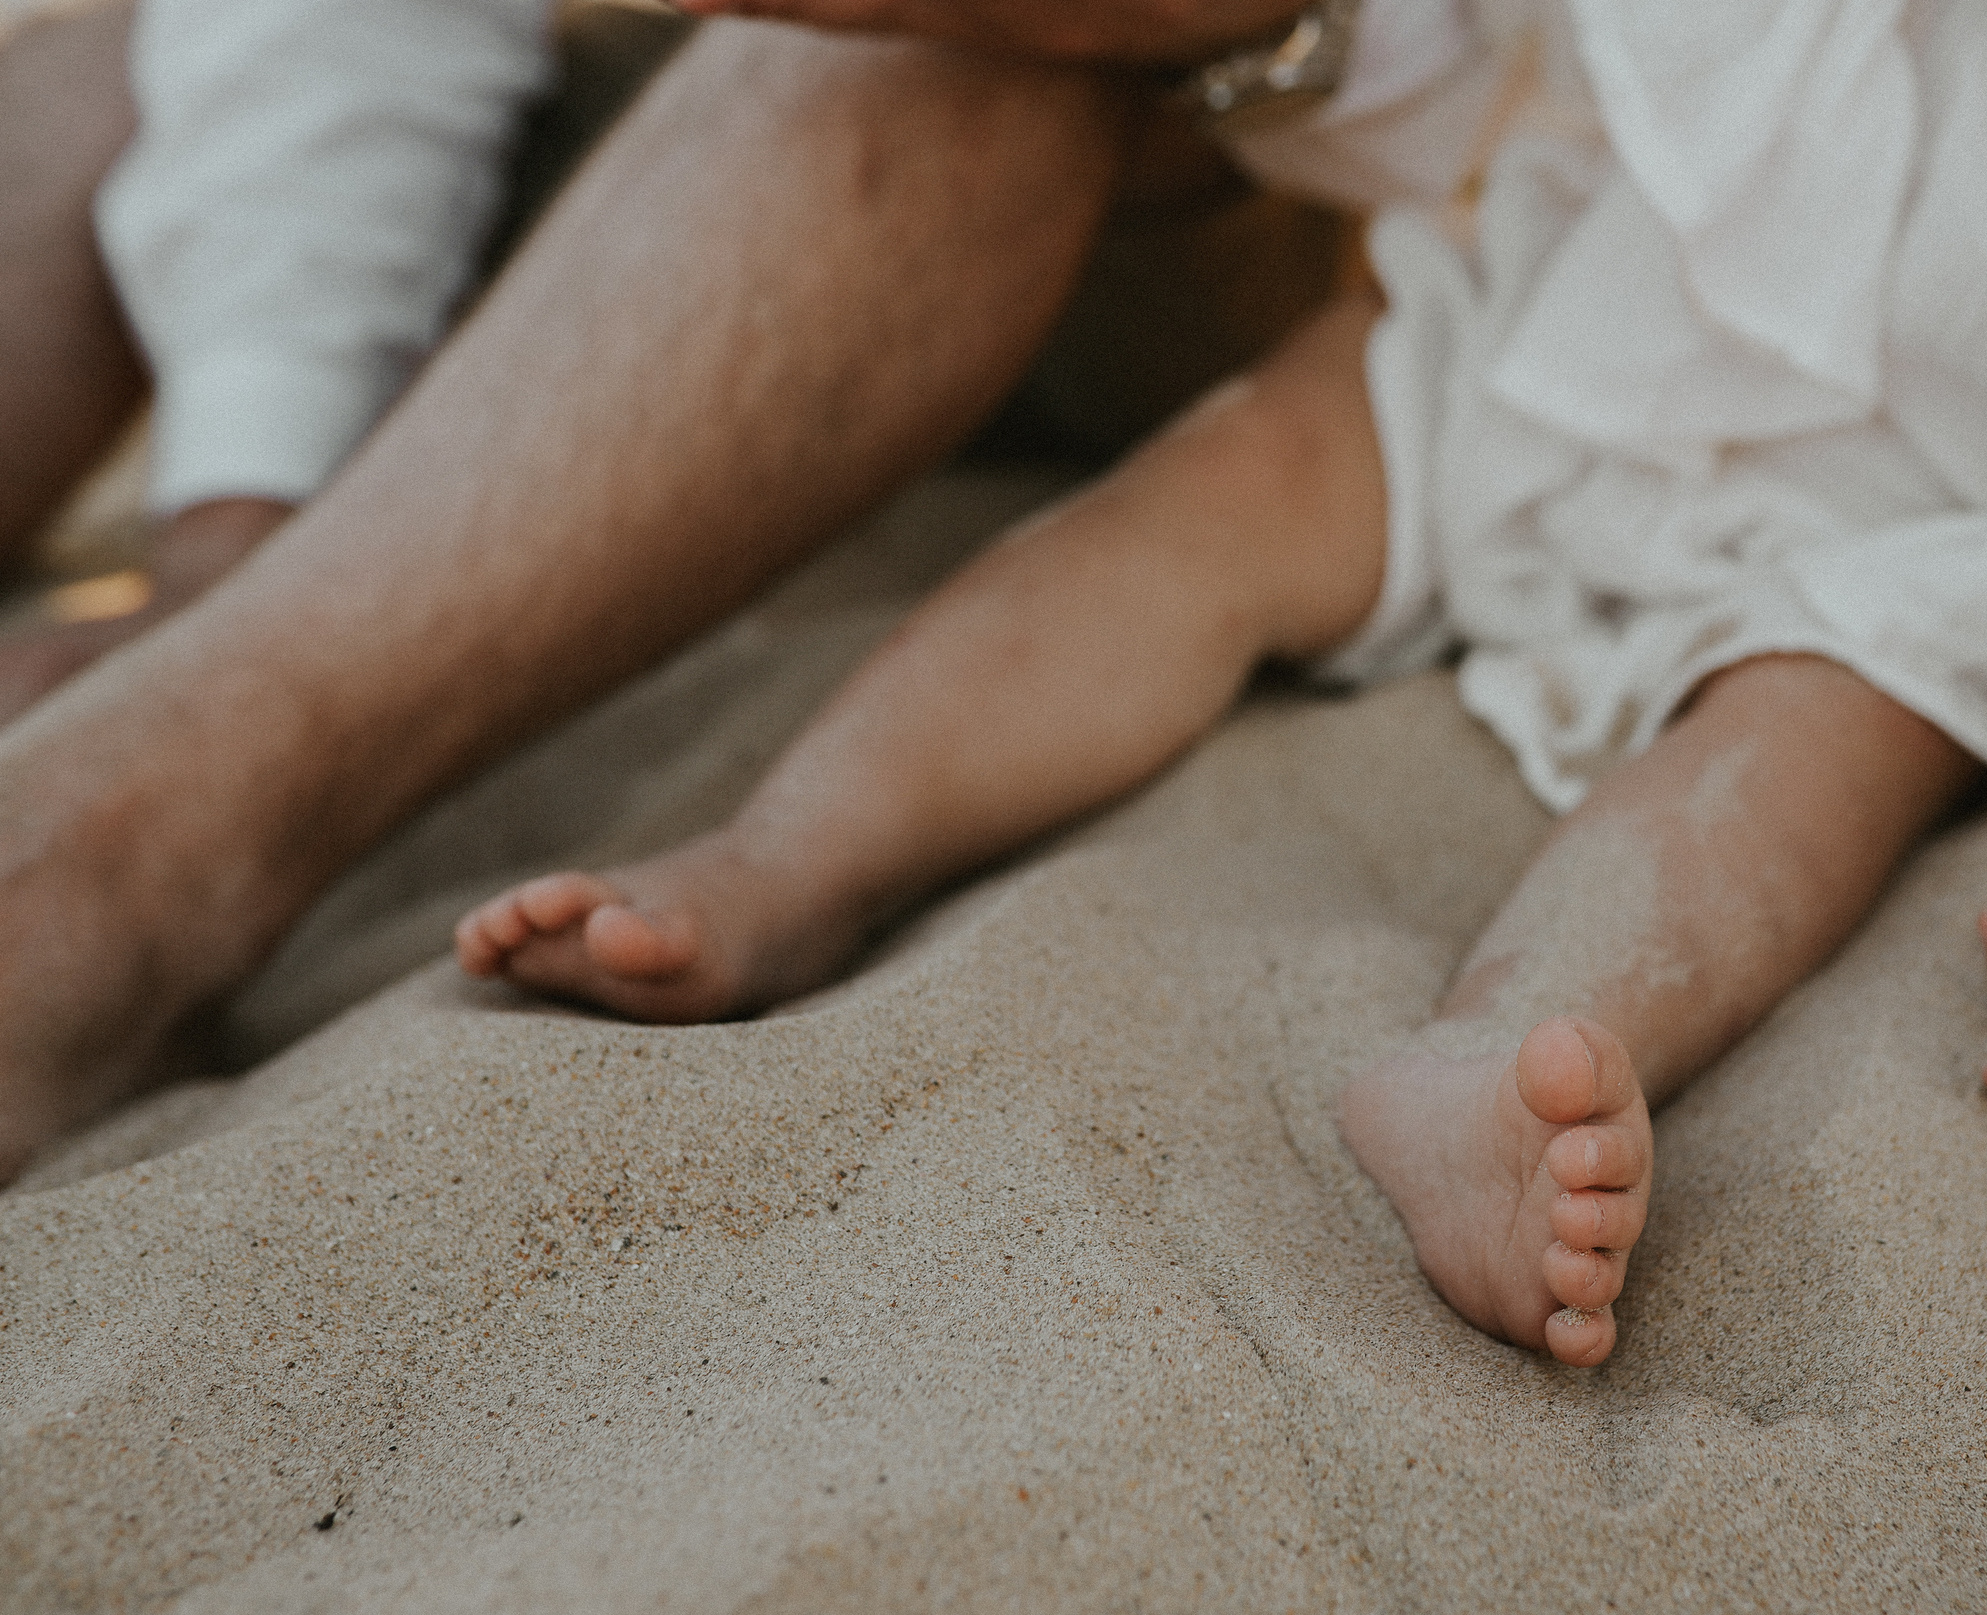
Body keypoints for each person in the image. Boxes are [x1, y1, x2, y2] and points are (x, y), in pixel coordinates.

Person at [459, 0, 1987, 1369]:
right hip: (1619, 338)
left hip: (1922, 567)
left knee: (1807, 742)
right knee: (1225, 490)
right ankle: (788, 856)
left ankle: (1494, 1055)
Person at [0, 0, 1379, 1184]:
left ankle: (126, 862)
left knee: (895, 46)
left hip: (1354, 203)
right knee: (86, 89)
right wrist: (233, 529)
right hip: (742, 177)